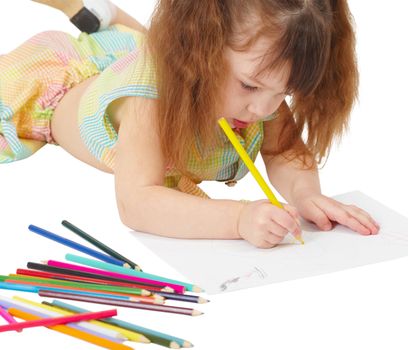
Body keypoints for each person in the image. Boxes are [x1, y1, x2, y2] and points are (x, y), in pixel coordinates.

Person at [0, 0, 380, 248]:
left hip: (131, 57)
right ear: (199, 52)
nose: (265, 109)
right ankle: (93, 14)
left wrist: (305, 193)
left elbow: (284, 150)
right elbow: (137, 202)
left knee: (139, 43)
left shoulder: (262, 92)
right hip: (62, 86)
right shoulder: (148, 99)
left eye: (286, 92)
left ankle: (104, 16)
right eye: (250, 85)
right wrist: (237, 218)